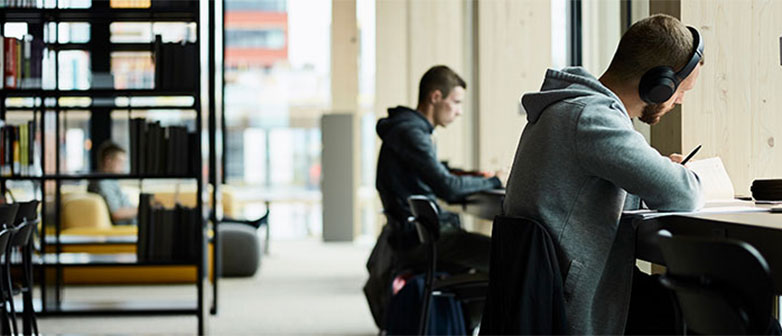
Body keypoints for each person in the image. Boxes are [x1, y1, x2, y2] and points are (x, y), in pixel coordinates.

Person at [503, 14, 703, 334]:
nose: (678, 101)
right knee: (727, 314)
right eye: (681, 91)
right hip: (576, 303)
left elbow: (592, 192)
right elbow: (684, 193)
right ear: (659, 84)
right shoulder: (591, 117)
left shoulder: (566, 108)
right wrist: (685, 173)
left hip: (553, 292)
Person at [364, 65, 502, 329]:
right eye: (457, 102)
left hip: (412, 236)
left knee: (501, 259)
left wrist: (468, 175)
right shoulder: (412, 133)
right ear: (436, 97)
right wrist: (495, 180)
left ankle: (463, 325)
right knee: (511, 259)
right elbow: (447, 187)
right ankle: (470, 325)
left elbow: (437, 174)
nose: (460, 111)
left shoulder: (406, 130)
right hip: (423, 241)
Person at [88, 141, 137, 226]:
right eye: (120, 162)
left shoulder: (109, 180)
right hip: (125, 230)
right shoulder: (103, 182)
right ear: (108, 161)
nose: (123, 166)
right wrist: (143, 209)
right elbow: (116, 213)